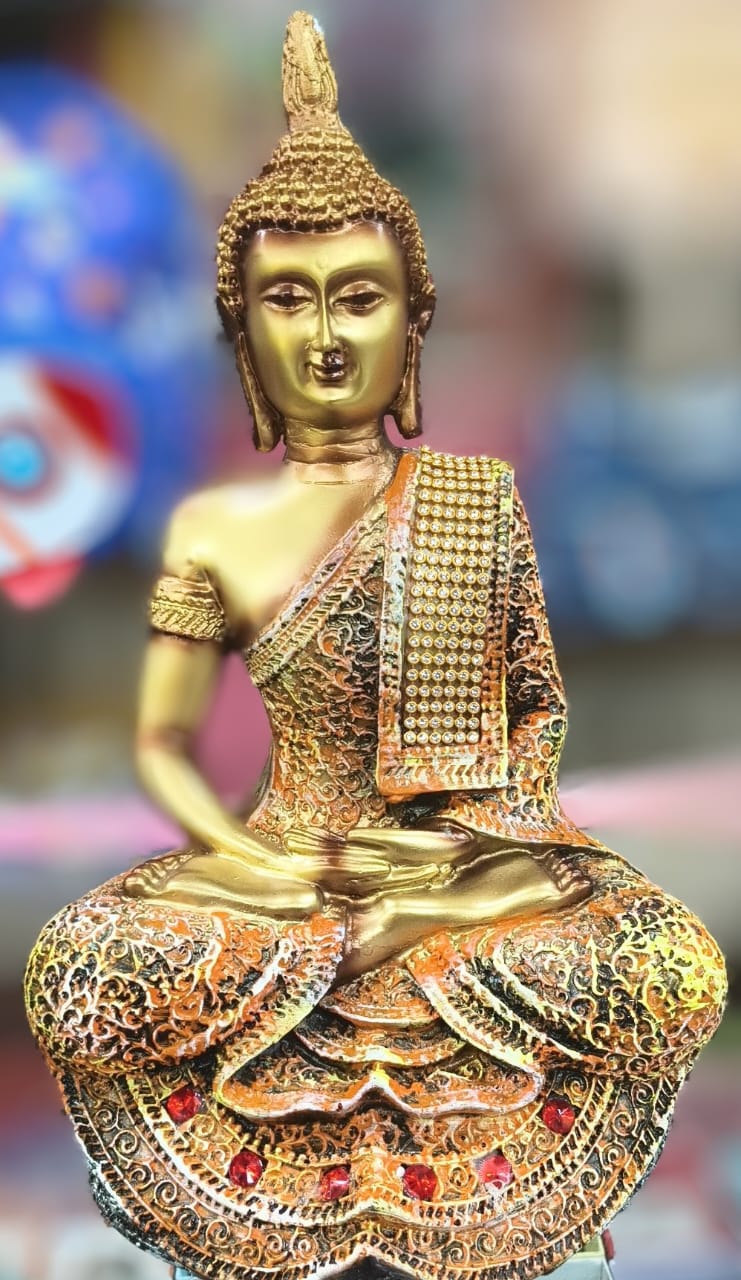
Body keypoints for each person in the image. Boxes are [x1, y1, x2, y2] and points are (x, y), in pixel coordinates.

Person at [25, 15, 726, 1280]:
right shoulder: (213, 526)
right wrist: (264, 866)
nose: (326, 338)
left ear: (414, 317)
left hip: (459, 875)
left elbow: (533, 725)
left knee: (661, 956)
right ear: (241, 327)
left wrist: (471, 859)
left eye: (360, 297)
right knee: (85, 962)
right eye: (286, 301)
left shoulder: (475, 500)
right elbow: (165, 746)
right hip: (276, 878)